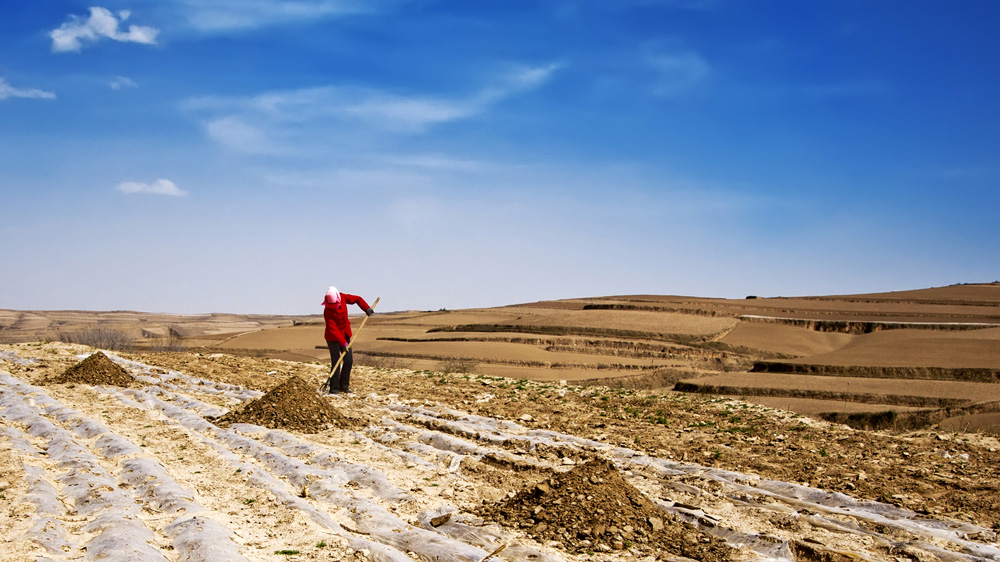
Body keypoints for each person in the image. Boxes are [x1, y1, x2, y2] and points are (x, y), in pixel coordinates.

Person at [322, 286, 374, 394]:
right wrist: (343, 343)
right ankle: (334, 388)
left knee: (349, 360)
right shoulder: (327, 311)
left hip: (345, 333)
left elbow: (357, 299)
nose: (334, 307)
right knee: (336, 361)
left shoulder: (343, 297)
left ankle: (343, 386)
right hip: (333, 338)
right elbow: (333, 329)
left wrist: (366, 308)